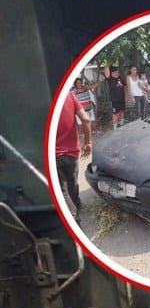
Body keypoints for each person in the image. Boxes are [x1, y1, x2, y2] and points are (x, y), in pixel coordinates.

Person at [56, 92, 92, 222]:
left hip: (54, 156)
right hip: (72, 153)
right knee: (72, 183)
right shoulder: (68, 95)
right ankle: (77, 205)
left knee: (62, 190)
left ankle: (73, 217)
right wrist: (88, 142)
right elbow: (86, 119)